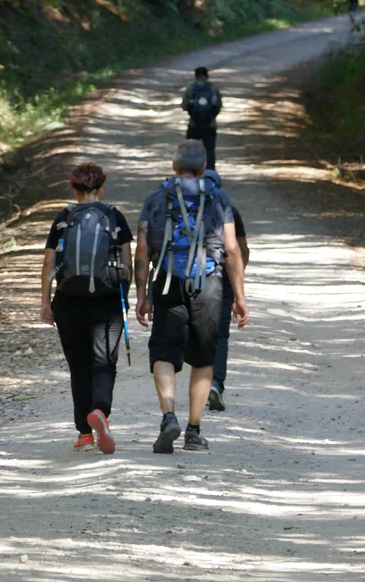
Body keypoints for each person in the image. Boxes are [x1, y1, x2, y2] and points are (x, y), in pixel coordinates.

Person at [134, 140, 249, 454]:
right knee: (203, 359)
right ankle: (194, 432)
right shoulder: (218, 197)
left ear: (174, 166)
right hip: (208, 282)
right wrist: (239, 296)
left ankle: (168, 416)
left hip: (167, 281)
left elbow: (143, 248)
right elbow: (231, 249)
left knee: (163, 353)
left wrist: (142, 295)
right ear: (203, 168)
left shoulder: (156, 197)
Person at [40, 162, 133, 454]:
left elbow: (49, 261)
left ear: (74, 188)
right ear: (101, 187)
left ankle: (84, 434)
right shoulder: (115, 216)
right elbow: (127, 265)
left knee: (78, 366)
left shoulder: (64, 217)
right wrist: (125, 296)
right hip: (107, 301)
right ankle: (100, 412)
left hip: (68, 301)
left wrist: (45, 302)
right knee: (104, 362)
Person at [205, 172, 250, 413]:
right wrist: (238, 285)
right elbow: (240, 251)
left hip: (189, 278)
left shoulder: (183, 208)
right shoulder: (230, 211)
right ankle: (215, 383)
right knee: (220, 334)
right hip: (222, 279)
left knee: (196, 332)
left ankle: (198, 383)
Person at [181, 66, 222, 170]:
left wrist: (193, 114)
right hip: (210, 125)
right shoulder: (213, 89)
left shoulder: (191, 88)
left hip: (193, 125)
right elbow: (218, 106)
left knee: (191, 150)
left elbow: (184, 106)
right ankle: (210, 173)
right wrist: (211, 116)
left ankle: (191, 171)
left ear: (195, 76)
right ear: (207, 76)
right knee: (209, 151)